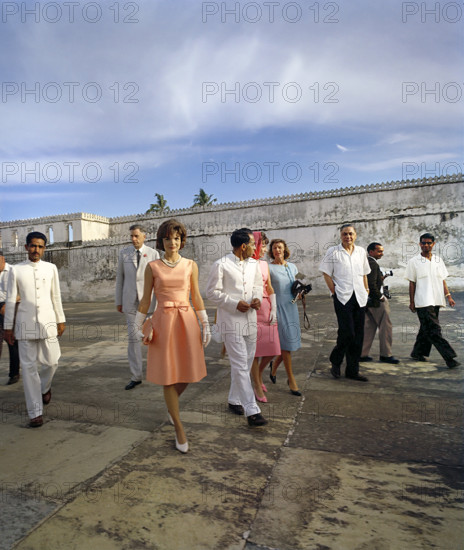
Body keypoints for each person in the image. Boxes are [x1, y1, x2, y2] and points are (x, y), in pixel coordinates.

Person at [135, 219, 210, 453]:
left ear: (181, 241)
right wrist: (137, 325)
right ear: (161, 241)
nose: (172, 243)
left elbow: (196, 296)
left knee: (188, 372)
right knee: (168, 375)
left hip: (187, 320)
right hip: (163, 322)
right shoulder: (153, 267)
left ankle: (171, 406)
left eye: (176, 238)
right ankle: (178, 427)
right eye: (168, 238)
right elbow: (146, 299)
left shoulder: (190, 265)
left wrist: (205, 323)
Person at [206, 228, 267, 427]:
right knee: (241, 363)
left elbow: (259, 285)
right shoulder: (221, 265)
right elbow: (211, 293)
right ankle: (252, 410)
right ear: (243, 246)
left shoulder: (254, 264)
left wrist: (257, 298)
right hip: (231, 322)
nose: (254, 247)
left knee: (245, 363)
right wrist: (233, 303)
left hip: (250, 320)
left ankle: (234, 399)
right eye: (251, 244)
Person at [4, 232, 66, 427]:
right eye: (32, 246)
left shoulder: (51, 268)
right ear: (26, 247)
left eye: (40, 246)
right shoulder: (17, 270)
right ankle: (35, 412)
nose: (36, 250)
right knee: (29, 368)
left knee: (53, 361)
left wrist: (60, 319)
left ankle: (45, 387)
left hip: (48, 322)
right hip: (24, 324)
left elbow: (56, 295)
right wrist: (8, 327)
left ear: (44, 248)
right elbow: (11, 299)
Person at [319, 224, 370, 382]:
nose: (348, 236)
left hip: (360, 297)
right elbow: (326, 273)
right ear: (340, 236)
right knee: (347, 332)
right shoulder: (333, 252)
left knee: (358, 335)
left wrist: (366, 290)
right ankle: (336, 359)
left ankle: (352, 371)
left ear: (356, 235)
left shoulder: (361, 251)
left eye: (350, 234)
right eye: (345, 234)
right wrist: (334, 291)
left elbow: (364, 273)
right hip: (342, 297)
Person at [404, 232, 459, 369]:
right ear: (419, 244)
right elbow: (412, 283)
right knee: (434, 329)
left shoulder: (438, 261)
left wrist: (448, 296)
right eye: (423, 243)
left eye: (429, 243)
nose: (426, 245)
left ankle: (417, 353)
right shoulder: (414, 262)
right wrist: (412, 302)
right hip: (422, 301)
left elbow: (442, 280)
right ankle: (449, 357)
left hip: (436, 300)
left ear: (433, 244)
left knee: (426, 328)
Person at [115, 224, 159, 390]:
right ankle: (136, 376)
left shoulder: (153, 254)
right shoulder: (124, 253)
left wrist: (159, 302)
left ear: (144, 236)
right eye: (131, 236)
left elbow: (157, 279)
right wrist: (118, 301)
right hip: (130, 302)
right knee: (133, 339)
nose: (133, 239)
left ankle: (157, 372)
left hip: (149, 302)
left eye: (136, 236)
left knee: (153, 338)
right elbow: (120, 278)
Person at [268, 239, 302, 396]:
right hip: (279, 307)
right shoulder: (268, 267)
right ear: (272, 251)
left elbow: (296, 285)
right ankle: (291, 379)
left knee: (289, 344)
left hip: (292, 306)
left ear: (285, 249)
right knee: (286, 344)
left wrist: (300, 294)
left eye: (280, 247)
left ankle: (274, 368)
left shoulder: (292, 267)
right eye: (274, 248)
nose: (277, 250)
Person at [250, 232, 280, 403]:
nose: (264, 250)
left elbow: (268, 286)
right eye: (262, 245)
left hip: (267, 307)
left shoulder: (263, 264)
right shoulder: (245, 264)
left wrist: (274, 308)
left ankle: (259, 374)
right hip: (252, 309)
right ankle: (256, 383)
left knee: (273, 348)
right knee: (254, 351)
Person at [360, 243, 399, 364]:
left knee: (368, 327)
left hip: (368, 301)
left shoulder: (366, 262)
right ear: (371, 252)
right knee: (385, 327)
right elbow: (371, 285)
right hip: (376, 301)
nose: (382, 253)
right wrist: (381, 297)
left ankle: (362, 353)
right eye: (379, 251)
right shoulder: (372, 263)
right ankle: (386, 355)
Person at [0, 251, 20, 385]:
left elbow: (22, 292)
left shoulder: (14, 271)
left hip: (9, 307)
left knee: (11, 341)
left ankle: (14, 373)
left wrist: (8, 305)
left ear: (2, 259)